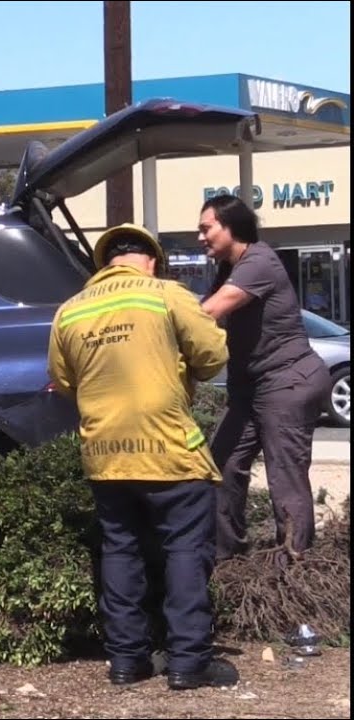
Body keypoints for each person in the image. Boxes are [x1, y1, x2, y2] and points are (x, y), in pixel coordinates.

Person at [47, 223, 237, 690]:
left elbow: (63, 381)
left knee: (120, 550)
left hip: (105, 453)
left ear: (106, 263)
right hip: (168, 448)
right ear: (150, 259)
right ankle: (189, 662)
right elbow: (213, 355)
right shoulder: (165, 295)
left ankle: (127, 662)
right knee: (185, 550)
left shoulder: (68, 312)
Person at [196, 194, 330, 562]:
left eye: (206, 228)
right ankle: (229, 560)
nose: (200, 237)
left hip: (286, 382)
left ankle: (296, 565)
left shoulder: (258, 261)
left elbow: (210, 311)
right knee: (220, 465)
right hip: (250, 389)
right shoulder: (229, 269)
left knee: (284, 478)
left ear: (231, 226)